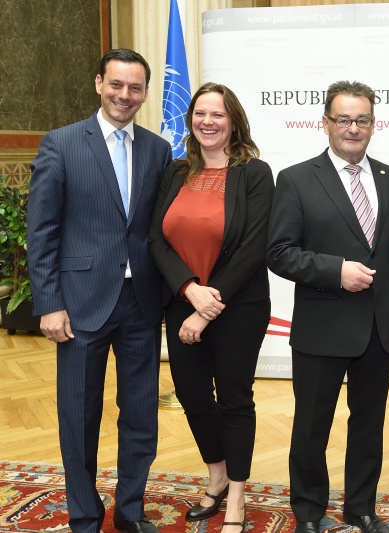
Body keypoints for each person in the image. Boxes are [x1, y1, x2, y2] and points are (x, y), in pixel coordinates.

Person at [27, 49, 172, 533]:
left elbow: (155, 229)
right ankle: (85, 517)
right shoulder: (62, 144)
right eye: (116, 85)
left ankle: (129, 512)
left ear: (146, 94)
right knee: (79, 419)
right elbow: (42, 231)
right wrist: (49, 304)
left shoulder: (157, 149)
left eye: (135, 88)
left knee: (140, 418)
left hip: (141, 305)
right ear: (98, 84)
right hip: (80, 306)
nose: (124, 96)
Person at [266, 80, 389, 533]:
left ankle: (361, 508)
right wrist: (335, 271)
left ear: (373, 124)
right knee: (311, 427)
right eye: (343, 119)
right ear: (324, 122)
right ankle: (308, 512)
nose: (352, 128)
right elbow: (280, 252)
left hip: (378, 328)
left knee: (369, 426)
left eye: (361, 120)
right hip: (322, 326)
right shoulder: (296, 179)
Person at [148, 82, 273, 533]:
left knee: (235, 399)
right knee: (193, 397)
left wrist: (206, 306)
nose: (207, 122)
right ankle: (217, 474)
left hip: (238, 306)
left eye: (217, 114)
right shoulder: (176, 171)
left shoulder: (255, 173)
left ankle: (237, 493)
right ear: (190, 120)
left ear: (233, 120)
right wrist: (187, 289)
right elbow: (156, 238)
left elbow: (253, 248)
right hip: (183, 300)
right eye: (200, 113)